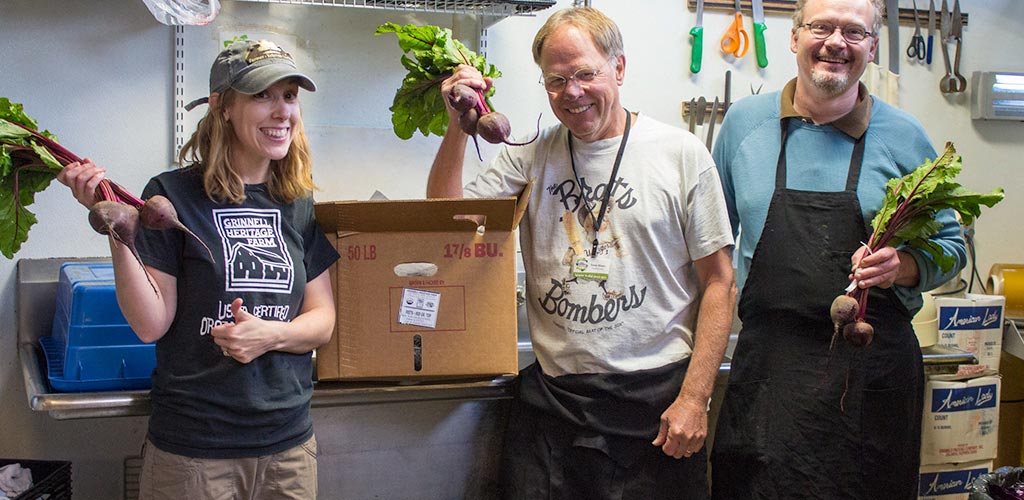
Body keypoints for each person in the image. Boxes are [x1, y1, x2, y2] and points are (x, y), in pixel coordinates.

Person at [427, 7, 736, 500]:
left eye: (585, 73)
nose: (571, 92)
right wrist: (456, 128)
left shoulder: (680, 154)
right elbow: (445, 221)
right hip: (555, 408)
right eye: (555, 80)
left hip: (655, 405)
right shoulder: (529, 156)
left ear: (619, 67)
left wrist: (695, 398)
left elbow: (720, 281)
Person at [58, 39, 339, 500]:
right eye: (262, 95)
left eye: (289, 96)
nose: (281, 111)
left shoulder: (298, 202)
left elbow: (322, 320)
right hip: (195, 452)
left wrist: (267, 335)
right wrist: (117, 227)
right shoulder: (172, 195)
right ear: (221, 106)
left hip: (288, 447)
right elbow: (150, 324)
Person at [708, 0, 967, 498]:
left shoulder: (905, 137)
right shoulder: (743, 125)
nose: (835, 43)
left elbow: (953, 247)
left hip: (870, 375)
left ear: (872, 46)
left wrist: (906, 265)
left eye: (853, 32)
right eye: (821, 27)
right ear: (794, 36)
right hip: (769, 378)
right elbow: (712, 250)